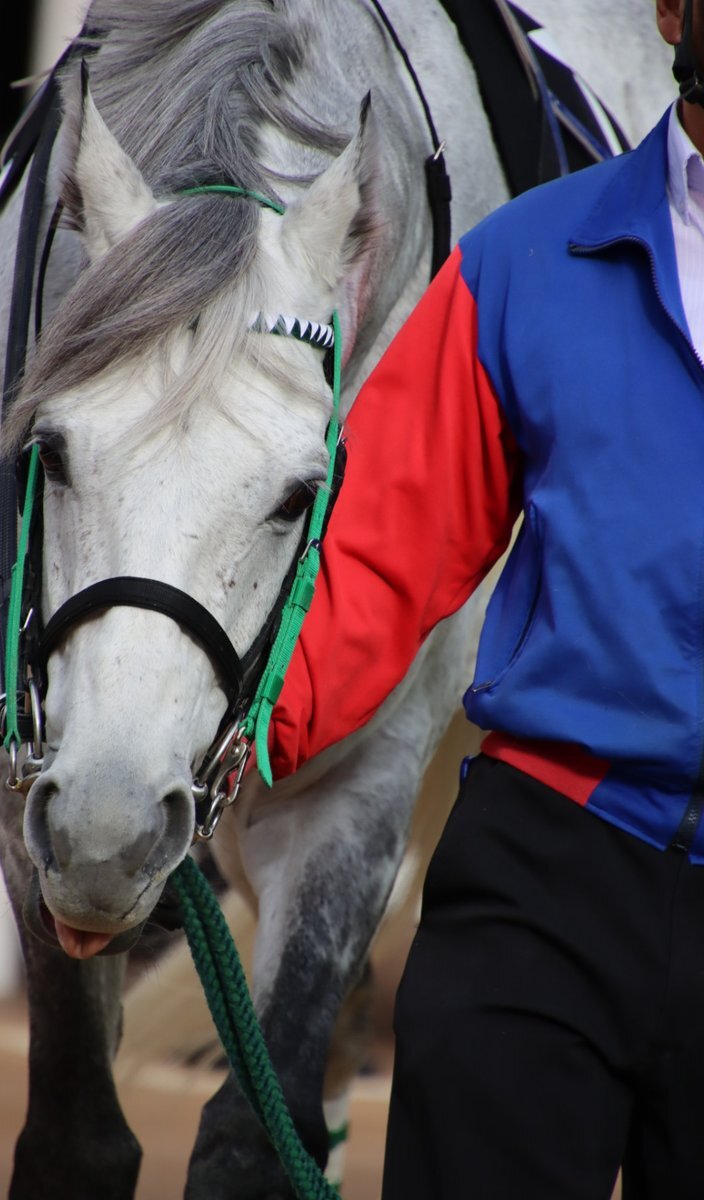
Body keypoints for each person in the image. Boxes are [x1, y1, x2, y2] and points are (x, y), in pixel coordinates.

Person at [265, 1, 704, 1196]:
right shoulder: (521, 259)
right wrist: (220, 749)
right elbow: (379, 553)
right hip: (547, 871)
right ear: (670, 10)